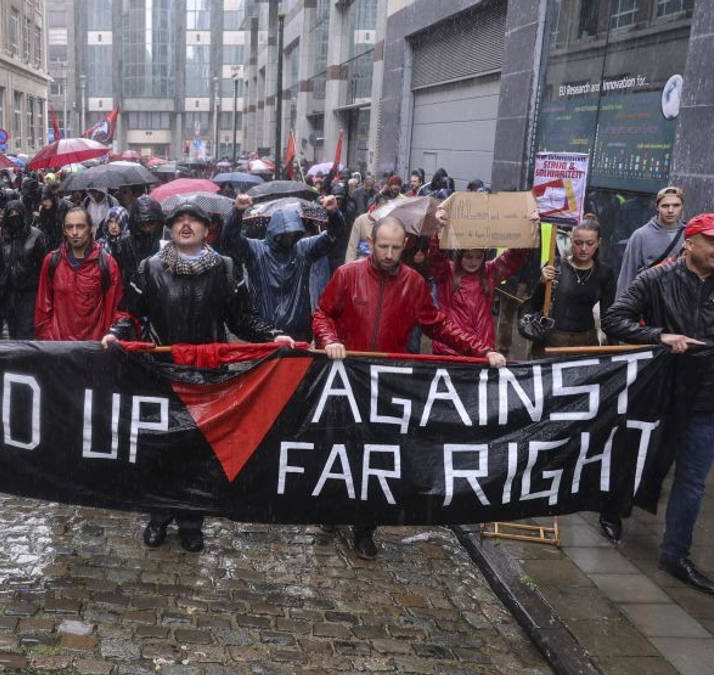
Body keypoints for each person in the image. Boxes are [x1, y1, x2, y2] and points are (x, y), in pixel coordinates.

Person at [101, 200, 294, 552]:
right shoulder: (150, 268)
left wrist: (271, 336)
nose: (186, 225)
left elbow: (243, 319)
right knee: (162, 450)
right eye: (179, 220)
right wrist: (116, 333)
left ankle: (192, 522)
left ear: (208, 229)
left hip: (208, 378)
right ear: (170, 227)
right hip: (163, 374)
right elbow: (130, 314)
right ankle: (159, 517)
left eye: (194, 220)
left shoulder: (226, 269)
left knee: (198, 453)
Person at [313, 217, 507, 559]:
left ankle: (365, 527)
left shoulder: (414, 283)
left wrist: (481, 350)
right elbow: (323, 314)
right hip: (348, 379)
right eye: (382, 247)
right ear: (371, 243)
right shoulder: (347, 275)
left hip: (390, 382)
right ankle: (332, 509)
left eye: (395, 247)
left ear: (405, 246)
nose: (389, 254)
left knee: (379, 453)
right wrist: (329, 339)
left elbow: (439, 325)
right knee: (342, 446)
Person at [602, 213, 714, 595]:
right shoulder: (656, 279)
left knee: (692, 482)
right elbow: (615, 318)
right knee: (637, 460)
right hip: (658, 393)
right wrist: (658, 335)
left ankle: (675, 554)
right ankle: (612, 511)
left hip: (709, 399)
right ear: (690, 242)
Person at [219, 194, 339, 341]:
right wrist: (237, 212)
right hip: (266, 333)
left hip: (297, 333)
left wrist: (334, 214)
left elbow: (333, 237)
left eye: (293, 234)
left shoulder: (303, 250)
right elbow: (229, 241)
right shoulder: (256, 250)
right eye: (284, 235)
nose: (289, 238)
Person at [426, 228, 529, 357]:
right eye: (468, 257)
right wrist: (438, 235)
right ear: (459, 255)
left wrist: (523, 228)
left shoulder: (489, 272)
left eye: (478, 257)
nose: (473, 262)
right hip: (450, 350)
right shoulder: (447, 273)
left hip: (482, 350)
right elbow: (436, 257)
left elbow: (514, 258)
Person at [527, 218, 616, 357]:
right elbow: (534, 305)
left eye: (590, 243)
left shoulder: (604, 273)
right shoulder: (554, 266)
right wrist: (542, 282)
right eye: (578, 243)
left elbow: (608, 316)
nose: (584, 249)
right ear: (571, 240)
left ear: (598, 242)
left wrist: (612, 348)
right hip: (552, 343)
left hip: (585, 344)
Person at [34, 207, 125, 341]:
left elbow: (115, 307)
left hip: (94, 345)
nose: (74, 232)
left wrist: (112, 335)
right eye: (70, 227)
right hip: (58, 345)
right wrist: (47, 339)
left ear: (91, 228)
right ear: (64, 230)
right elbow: (43, 306)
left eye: (80, 226)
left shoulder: (107, 263)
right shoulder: (52, 261)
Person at [0, 198, 47, 339]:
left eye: (17, 214)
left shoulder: (36, 236)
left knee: (25, 332)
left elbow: (43, 267)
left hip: (28, 292)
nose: (14, 218)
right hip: (4, 291)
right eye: (11, 214)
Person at [616, 185, 685, 295]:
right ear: (657, 207)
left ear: (682, 207)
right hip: (648, 298)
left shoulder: (689, 235)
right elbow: (627, 275)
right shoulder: (640, 236)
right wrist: (621, 304)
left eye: (676, 205)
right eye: (665, 206)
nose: (670, 210)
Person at [109, 195, 166, 299]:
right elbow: (116, 278)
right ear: (136, 224)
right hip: (132, 297)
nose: (147, 229)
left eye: (151, 223)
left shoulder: (166, 242)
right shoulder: (123, 244)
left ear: (158, 222)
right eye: (142, 224)